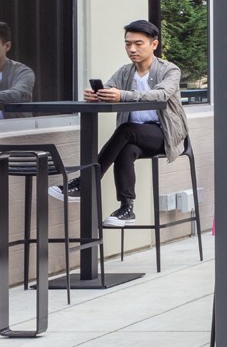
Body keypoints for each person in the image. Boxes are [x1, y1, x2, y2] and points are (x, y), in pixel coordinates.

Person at [78, 19, 189, 226]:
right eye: (128, 44)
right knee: (126, 148)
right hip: (137, 136)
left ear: (153, 45)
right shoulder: (125, 72)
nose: (132, 49)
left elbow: (162, 94)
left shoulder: (169, 70)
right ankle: (126, 207)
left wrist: (123, 95)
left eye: (138, 44)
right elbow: (112, 89)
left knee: (126, 130)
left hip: (165, 134)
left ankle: (87, 180)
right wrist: (98, 95)